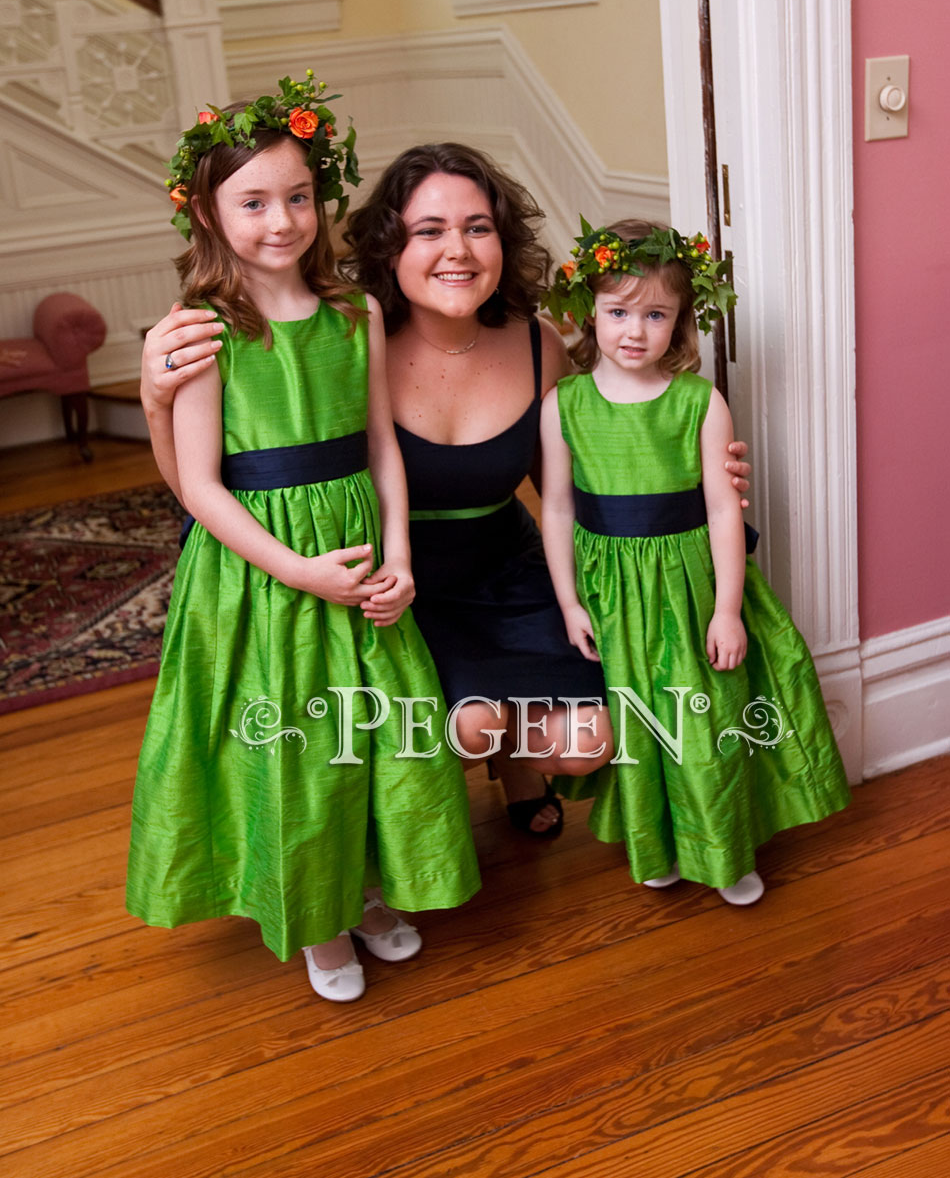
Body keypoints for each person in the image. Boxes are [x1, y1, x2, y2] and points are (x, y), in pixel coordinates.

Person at [140, 142, 752, 833]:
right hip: (389, 584)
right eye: (429, 230)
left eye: (478, 228)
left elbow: (578, 482)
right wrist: (156, 402)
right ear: (390, 246)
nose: (456, 250)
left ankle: (511, 754)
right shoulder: (348, 333)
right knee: (455, 728)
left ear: (502, 242)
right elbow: (203, 487)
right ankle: (478, 759)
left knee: (590, 741)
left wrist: (698, 480)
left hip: (507, 573)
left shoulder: (538, 344)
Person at [126, 79, 479, 1004]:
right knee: (300, 746)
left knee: (374, 735)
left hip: (357, 557)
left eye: (297, 198)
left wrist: (396, 553)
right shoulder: (208, 333)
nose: (281, 221)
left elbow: (381, 449)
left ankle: (364, 889)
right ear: (208, 211)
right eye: (253, 202)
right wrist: (298, 571)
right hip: (269, 574)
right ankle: (316, 918)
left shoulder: (353, 312)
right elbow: (199, 486)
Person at [539, 220, 850, 905]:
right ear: (589, 308)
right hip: (615, 593)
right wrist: (569, 602)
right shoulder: (563, 405)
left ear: (680, 321)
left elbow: (720, 509)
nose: (634, 330)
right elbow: (557, 506)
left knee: (705, 722)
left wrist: (728, 608)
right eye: (618, 310)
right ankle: (658, 841)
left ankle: (726, 846)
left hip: (689, 585)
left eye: (656, 314)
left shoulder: (699, 404)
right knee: (644, 726)